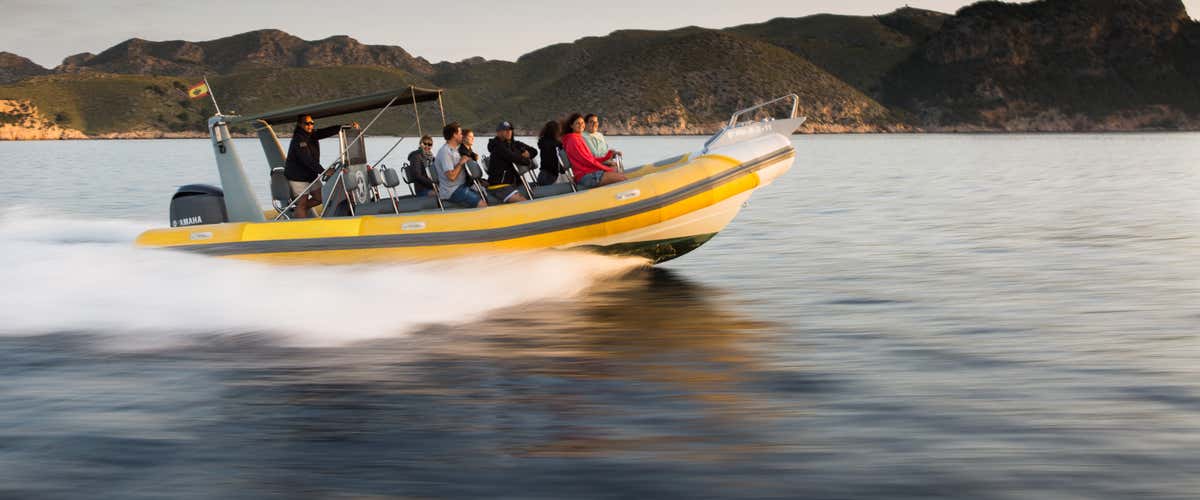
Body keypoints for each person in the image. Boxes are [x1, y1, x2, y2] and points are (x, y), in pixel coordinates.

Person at [284, 114, 358, 218]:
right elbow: (307, 160)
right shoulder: (299, 139)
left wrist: (345, 127)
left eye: (312, 123)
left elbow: (325, 131)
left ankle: (298, 210)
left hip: (310, 176)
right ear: (300, 124)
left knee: (320, 198)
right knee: (302, 203)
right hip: (298, 177)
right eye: (307, 123)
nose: (310, 125)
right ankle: (300, 222)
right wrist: (324, 171)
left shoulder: (311, 134)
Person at [561, 113, 626, 188]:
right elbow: (586, 160)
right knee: (622, 179)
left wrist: (608, 156)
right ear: (571, 125)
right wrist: (606, 168)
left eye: (582, 123)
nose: (581, 125)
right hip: (585, 175)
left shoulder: (577, 137)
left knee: (619, 174)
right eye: (578, 123)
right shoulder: (573, 139)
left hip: (589, 172)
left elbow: (590, 158)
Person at [434, 122, 486, 208]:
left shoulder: (456, 150)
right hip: (452, 191)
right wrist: (461, 163)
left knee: (484, 194)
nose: (462, 136)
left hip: (461, 186)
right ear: (454, 135)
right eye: (460, 133)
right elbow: (451, 176)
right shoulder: (445, 152)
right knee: (483, 205)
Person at [483, 121, 532, 203]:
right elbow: (514, 157)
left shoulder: (508, 145)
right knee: (523, 202)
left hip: (509, 184)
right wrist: (527, 160)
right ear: (498, 132)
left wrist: (525, 155)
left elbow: (531, 152)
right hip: (499, 186)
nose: (509, 132)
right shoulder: (498, 146)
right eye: (505, 130)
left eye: (510, 130)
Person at [536, 120, 563, 186]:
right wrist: (562, 170)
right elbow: (553, 160)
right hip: (550, 176)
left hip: (543, 174)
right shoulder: (555, 144)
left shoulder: (543, 142)